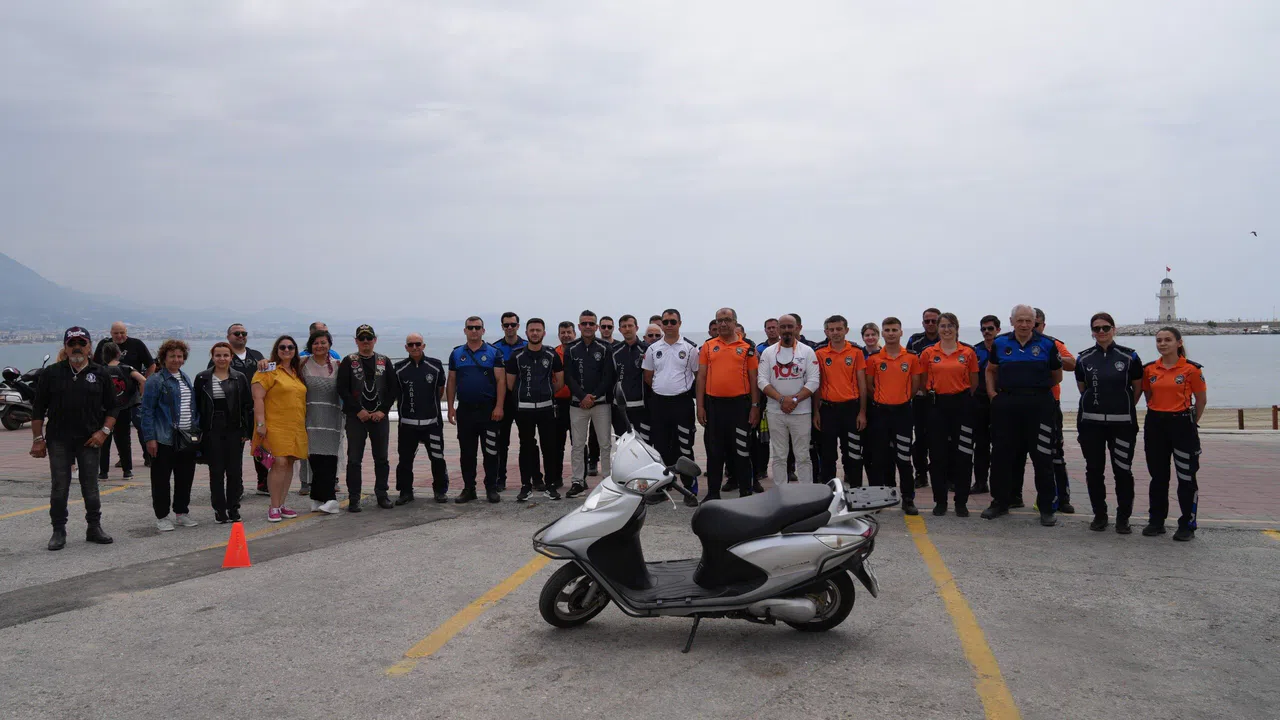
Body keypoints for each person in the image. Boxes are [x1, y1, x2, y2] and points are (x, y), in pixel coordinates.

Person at [30, 327, 117, 550]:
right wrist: (38, 439)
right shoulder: (51, 373)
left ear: (89, 347)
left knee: (91, 486)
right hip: (58, 439)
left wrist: (104, 432)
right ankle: (58, 531)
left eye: (82, 343)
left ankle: (94, 528)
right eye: (72, 343)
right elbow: (38, 409)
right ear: (65, 347)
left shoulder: (101, 373)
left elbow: (113, 408)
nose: (77, 347)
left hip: (90, 439)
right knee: (60, 486)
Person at [980, 305, 1063, 526]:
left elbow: (1057, 375)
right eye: (1020, 320)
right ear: (1012, 321)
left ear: (1034, 322)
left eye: (1028, 321)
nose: (1024, 325)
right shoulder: (1000, 343)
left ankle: (1046, 507)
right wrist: (992, 394)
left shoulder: (1047, 344)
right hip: (1007, 405)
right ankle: (1000, 502)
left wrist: (1036, 389)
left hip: (1039, 406)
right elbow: (991, 370)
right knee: (1001, 455)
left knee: (1042, 457)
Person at [1074, 313, 1143, 533]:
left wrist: (1120, 406)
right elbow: (1083, 388)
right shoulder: (1083, 358)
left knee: (1122, 471)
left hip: (1122, 425)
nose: (1101, 332)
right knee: (1094, 470)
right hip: (1091, 425)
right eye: (1097, 328)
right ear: (1092, 332)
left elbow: (1137, 388)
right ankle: (1100, 515)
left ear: (1114, 329)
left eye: (1105, 327)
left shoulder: (1130, 356)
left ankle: (1123, 518)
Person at [1142, 327, 1207, 541]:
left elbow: (1201, 400)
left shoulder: (1191, 369)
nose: (1162, 344)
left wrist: (1190, 423)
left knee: (1186, 477)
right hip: (1155, 425)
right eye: (1159, 340)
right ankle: (1156, 521)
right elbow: (1148, 395)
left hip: (1182, 426)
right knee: (1158, 477)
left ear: (1179, 343)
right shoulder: (1149, 369)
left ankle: (1187, 524)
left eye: (1168, 340)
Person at [916, 313, 980, 516]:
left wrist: (960, 396)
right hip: (937, 406)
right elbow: (923, 382)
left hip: (962, 406)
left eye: (950, 325)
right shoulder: (928, 353)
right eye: (942, 326)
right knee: (937, 456)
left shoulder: (968, 352)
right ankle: (940, 501)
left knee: (964, 455)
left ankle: (961, 502)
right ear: (938, 328)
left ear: (956, 328)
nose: (946, 329)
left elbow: (974, 382)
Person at [696, 308, 760, 500]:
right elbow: (701, 377)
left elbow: (754, 379)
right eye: (719, 320)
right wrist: (700, 406)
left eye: (727, 320)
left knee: (742, 450)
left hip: (740, 407)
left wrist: (755, 406)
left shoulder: (747, 348)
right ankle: (713, 493)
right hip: (714, 406)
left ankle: (745, 492)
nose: (723, 324)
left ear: (735, 322)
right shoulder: (708, 346)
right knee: (714, 451)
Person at [336, 325, 400, 511]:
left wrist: (383, 410)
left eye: (369, 338)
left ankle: (382, 494)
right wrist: (358, 410)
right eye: (362, 338)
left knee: (382, 458)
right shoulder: (349, 361)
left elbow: (393, 389)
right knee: (354, 459)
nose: (365, 342)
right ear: (356, 341)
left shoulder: (384, 361)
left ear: (375, 340)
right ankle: (354, 497)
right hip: (356, 417)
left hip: (380, 416)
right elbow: (342, 389)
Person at [141, 339, 202, 532]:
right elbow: (147, 411)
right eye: (172, 356)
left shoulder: (185, 378)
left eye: (180, 356)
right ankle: (162, 516)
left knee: (185, 477)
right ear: (164, 358)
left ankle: (181, 512)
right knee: (161, 479)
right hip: (164, 438)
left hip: (185, 437)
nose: (176, 359)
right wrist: (150, 438)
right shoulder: (155, 380)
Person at [643, 308, 701, 506]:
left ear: (679, 323)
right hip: (659, 404)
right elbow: (648, 376)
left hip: (682, 403)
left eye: (672, 322)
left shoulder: (690, 349)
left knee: (684, 446)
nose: (669, 325)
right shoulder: (653, 349)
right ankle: (663, 487)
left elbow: (697, 375)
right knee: (660, 447)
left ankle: (689, 488)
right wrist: (663, 389)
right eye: (665, 322)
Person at [446, 317, 506, 503]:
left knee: (491, 451)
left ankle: (491, 488)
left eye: (477, 327)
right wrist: (450, 407)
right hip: (465, 410)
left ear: (483, 330)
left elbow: (501, 381)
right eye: (470, 328)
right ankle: (469, 489)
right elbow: (452, 381)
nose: (474, 331)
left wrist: (499, 406)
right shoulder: (456, 354)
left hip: (488, 410)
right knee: (467, 453)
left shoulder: (494, 352)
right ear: (465, 330)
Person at [865, 318, 921, 515]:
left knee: (904, 458)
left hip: (903, 413)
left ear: (901, 332)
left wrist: (901, 399)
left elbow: (915, 385)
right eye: (887, 330)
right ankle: (878, 499)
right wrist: (882, 400)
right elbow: (869, 385)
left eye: (894, 330)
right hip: (880, 413)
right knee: (878, 458)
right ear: (883, 333)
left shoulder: (911, 358)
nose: (891, 333)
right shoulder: (874, 359)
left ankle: (908, 499)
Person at [506, 318, 565, 501]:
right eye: (531, 330)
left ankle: (550, 485)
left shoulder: (551, 355)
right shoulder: (516, 356)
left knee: (549, 447)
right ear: (526, 333)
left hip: (546, 408)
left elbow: (560, 381)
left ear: (544, 333)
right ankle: (526, 486)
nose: (535, 333)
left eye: (538, 330)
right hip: (524, 410)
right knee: (526, 447)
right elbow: (510, 384)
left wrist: (546, 392)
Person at [758, 314, 820, 487]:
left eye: (790, 326)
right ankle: (781, 492)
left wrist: (793, 400)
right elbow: (762, 381)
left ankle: (806, 492)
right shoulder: (768, 353)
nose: (786, 330)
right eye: (783, 327)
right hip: (775, 412)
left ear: (797, 328)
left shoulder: (807, 352)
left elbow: (814, 381)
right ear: (778, 329)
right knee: (779, 455)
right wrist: (781, 400)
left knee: (803, 455)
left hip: (801, 412)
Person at [195, 342, 254, 523]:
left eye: (225, 355)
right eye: (218, 355)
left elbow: (247, 406)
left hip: (234, 429)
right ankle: (219, 509)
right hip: (212, 429)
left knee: (234, 471)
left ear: (231, 357)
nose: (222, 359)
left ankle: (234, 508)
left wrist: (247, 430)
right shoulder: (202, 378)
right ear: (212, 357)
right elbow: (197, 406)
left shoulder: (239, 378)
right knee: (216, 471)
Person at [251, 336, 309, 522]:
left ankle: (282, 504)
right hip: (274, 425)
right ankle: (274, 506)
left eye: (290, 347)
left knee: (290, 462)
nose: (286, 350)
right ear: (277, 350)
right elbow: (258, 398)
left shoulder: (297, 371)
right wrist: (261, 424)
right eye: (282, 347)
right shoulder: (268, 370)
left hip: (295, 425)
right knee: (279, 462)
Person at [564, 310, 616, 498]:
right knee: (578, 445)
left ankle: (608, 482)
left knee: (605, 444)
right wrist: (582, 396)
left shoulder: (605, 347)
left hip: (601, 404)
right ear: (579, 326)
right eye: (584, 323)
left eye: (591, 323)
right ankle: (577, 481)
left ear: (596, 327)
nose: (587, 326)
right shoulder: (571, 348)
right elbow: (568, 376)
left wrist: (593, 396)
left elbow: (609, 376)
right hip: (577, 405)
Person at [394, 332, 450, 504]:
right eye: (411, 344)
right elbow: (395, 393)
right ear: (406, 347)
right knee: (405, 460)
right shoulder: (399, 368)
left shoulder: (436, 366)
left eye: (418, 344)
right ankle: (405, 492)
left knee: (437, 458)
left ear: (423, 345)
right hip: (407, 425)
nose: (415, 347)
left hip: (432, 424)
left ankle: (440, 491)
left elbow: (440, 390)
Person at [814, 315, 868, 486]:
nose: (835, 332)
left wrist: (862, 412)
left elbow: (862, 385)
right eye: (831, 329)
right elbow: (817, 384)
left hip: (851, 410)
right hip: (828, 410)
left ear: (846, 330)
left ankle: (855, 490)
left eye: (839, 329)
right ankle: (828, 492)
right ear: (826, 332)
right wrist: (816, 412)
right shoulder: (820, 353)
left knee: (853, 453)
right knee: (828, 454)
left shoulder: (856, 352)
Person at [94, 322, 154, 469]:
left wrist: (144, 388)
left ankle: (148, 456)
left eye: (122, 333)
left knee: (141, 425)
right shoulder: (103, 344)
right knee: (116, 429)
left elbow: (151, 365)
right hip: (109, 398)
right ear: (111, 333)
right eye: (116, 333)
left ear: (126, 332)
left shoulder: (136, 344)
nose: (119, 336)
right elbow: (95, 366)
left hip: (133, 396)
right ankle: (124, 459)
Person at [218, 324, 268, 495]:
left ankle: (264, 483)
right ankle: (236, 486)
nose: (241, 335)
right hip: (233, 411)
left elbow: (270, 377)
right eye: (237, 333)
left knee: (261, 447)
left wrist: (268, 362)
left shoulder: (257, 355)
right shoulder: (223, 356)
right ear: (228, 337)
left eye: (244, 333)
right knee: (234, 451)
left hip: (256, 409)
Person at [300, 330, 344, 514]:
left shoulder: (338, 365)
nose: (319, 346)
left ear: (329, 345)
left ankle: (331, 499)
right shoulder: (302, 364)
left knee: (329, 458)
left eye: (323, 342)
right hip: (310, 416)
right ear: (310, 345)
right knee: (314, 457)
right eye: (316, 343)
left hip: (332, 417)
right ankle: (317, 497)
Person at [97, 342, 146, 481]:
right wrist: (140, 397)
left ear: (104, 355)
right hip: (123, 408)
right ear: (119, 354)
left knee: (104, 440)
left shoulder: (100, 370)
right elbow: (143, 380)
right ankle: (127, 471)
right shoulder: (127, 369)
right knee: (124, 440)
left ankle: (103, 472)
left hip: (105, 410)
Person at [492, 312, 528, 491]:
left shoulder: (528, 346)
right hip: (503, 400)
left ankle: (532, 478)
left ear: (518, 326)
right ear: (502, 327)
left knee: (528, 441)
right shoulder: (495, 349)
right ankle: (500, 478)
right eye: (506, 325)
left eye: (513, 324)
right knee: (501, 442)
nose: (510, 328)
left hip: (523, 400)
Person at [906, 308, 942, 490]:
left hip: (942, 398)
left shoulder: (948, 339)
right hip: (921, 398)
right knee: (920, 438)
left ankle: (943, 474)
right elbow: (907, 366)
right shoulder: (915, 341)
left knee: (942, 438)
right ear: (922, 323)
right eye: (927, 321)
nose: (930, 324)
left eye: (934, 321)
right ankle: (921, 474)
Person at [970, 316, 1001, 496]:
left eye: (990, 328)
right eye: (984, 329)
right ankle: (981, 482)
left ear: (998, 329)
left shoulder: (1005, 348)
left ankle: (1000, 483)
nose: (987, 332)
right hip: (980, 402)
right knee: (981, 445)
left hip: (1001, 401)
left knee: (1001, 445)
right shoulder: (976, 351)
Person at [613, 315, 651, 443]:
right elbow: (610, 378)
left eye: (630, 326)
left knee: (644, 445)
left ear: (637, 328)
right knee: (622, 445)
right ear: (620, 330)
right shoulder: (614, 351)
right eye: (624, 326)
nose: (627, 329)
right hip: (620, 408)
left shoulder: (647, 349)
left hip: (642, 408)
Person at [553, 322, 577, 491]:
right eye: (563, 332)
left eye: (569, 332)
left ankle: (579, 478)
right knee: (556, 443)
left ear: (574, 334)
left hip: (576, 402)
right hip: (558, 403)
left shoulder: (579, 351)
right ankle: (556, 477)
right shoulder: (553, 353)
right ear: (559, 335)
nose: (566, 335)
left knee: (578, 443)